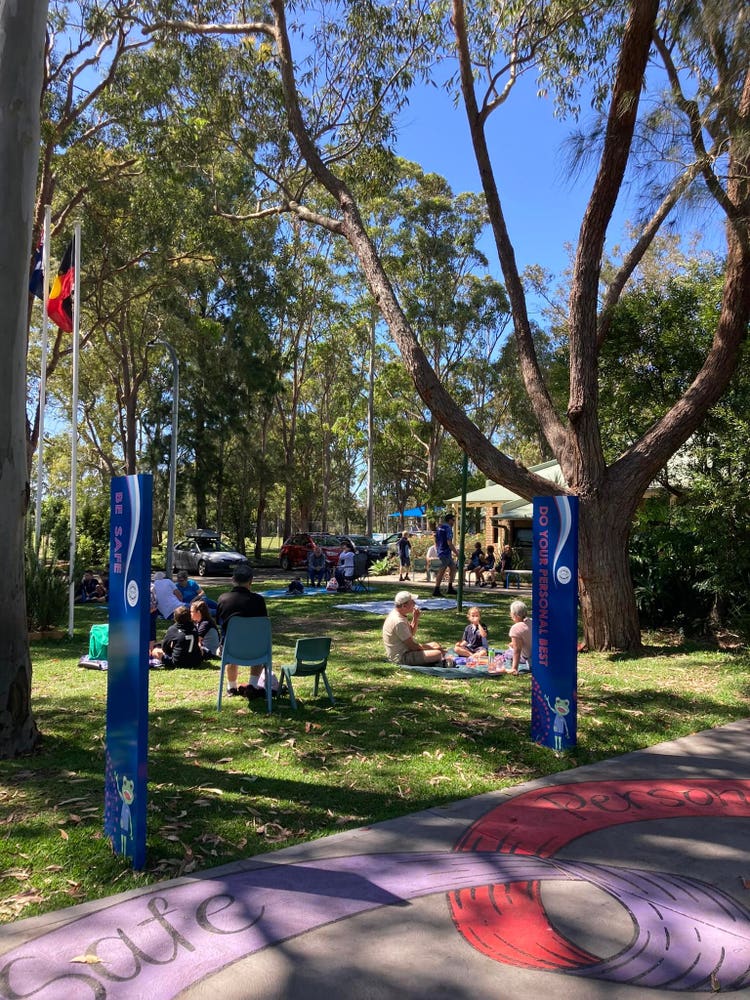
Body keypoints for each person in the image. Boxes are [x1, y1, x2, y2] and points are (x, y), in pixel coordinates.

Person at [216, 564, 269, 698]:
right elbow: (262, 623)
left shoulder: (223, 599)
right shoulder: (258, 600)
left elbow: (219, 622)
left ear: (233, 579)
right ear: (251, 581)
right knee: (257, 643)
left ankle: (232, 687)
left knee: (228, 640)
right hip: (256, 650)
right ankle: (252, 685)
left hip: (230, 649)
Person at [382, 591, 448, 667]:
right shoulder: (398, 621)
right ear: (404, 606)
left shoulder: (399, 614)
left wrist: (415, 618)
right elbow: (413, 646)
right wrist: (429, 649)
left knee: (435, 645)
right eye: (412, 602)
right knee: (437, 654)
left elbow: (411, 633)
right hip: (401, 657)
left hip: (407, 650)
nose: (414, 603)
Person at [499, 600, 532, 674]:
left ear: (515, 615)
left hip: (530, 660)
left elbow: (517, 650)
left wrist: (514, 668)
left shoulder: (516, 628)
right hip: (541, 657)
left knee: (508, 654)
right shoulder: (531, 621)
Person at [432, 513, 458, 597]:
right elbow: (449, 543)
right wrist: (457, 553)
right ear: (449, 520)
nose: (454, 522)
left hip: (443, 551)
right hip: (445, 553)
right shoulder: (448, 528)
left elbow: (435, 537)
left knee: (453, 568)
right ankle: (436, 589)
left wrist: (437, 547)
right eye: (453, 520)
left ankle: (450, 588)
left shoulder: (440, 527)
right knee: (442, 571)